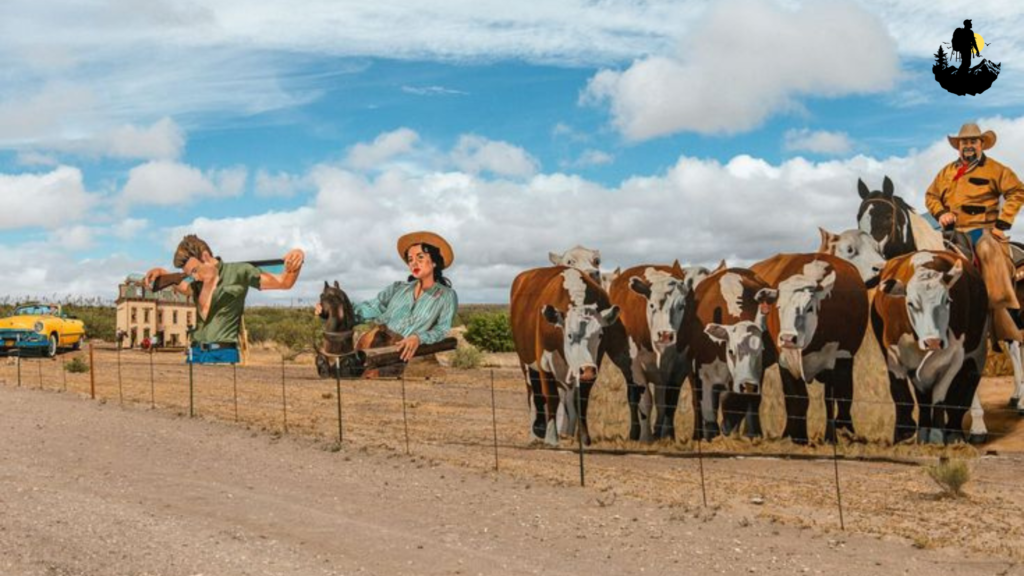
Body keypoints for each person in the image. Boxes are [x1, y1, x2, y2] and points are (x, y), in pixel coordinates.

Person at [925, 122, 1024, 337]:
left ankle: (1003, 307)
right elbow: (931, 196)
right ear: (958, 146)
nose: (968, 145)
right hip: (952, 231)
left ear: (981, 145)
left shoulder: (996, 170)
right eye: (964, 142)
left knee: (988, 250)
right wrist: (941, 213)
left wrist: (1002, 224)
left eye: (973, 141)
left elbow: (1017, 191)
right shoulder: (946, 172)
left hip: (983, 229)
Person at [144, 235, 306, 363]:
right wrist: (161, 272)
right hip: (195, 353)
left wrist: (298, 256)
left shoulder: (239, 272)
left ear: (206, 257)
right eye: (189, 274)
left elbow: (284, 282)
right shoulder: (194, 284)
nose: (193, 277)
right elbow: (180, 284)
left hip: (224, 354)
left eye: (194, 270)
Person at [315, 231, 458, 364]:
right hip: (373, 342)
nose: (414, 263)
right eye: (410, 259)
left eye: (420, 257)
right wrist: (335, 310)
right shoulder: (398, 288)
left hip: (402, 351)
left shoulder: (446, 295)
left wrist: (418, 338)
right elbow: (372, 307)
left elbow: (442, 329)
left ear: (434, 262)